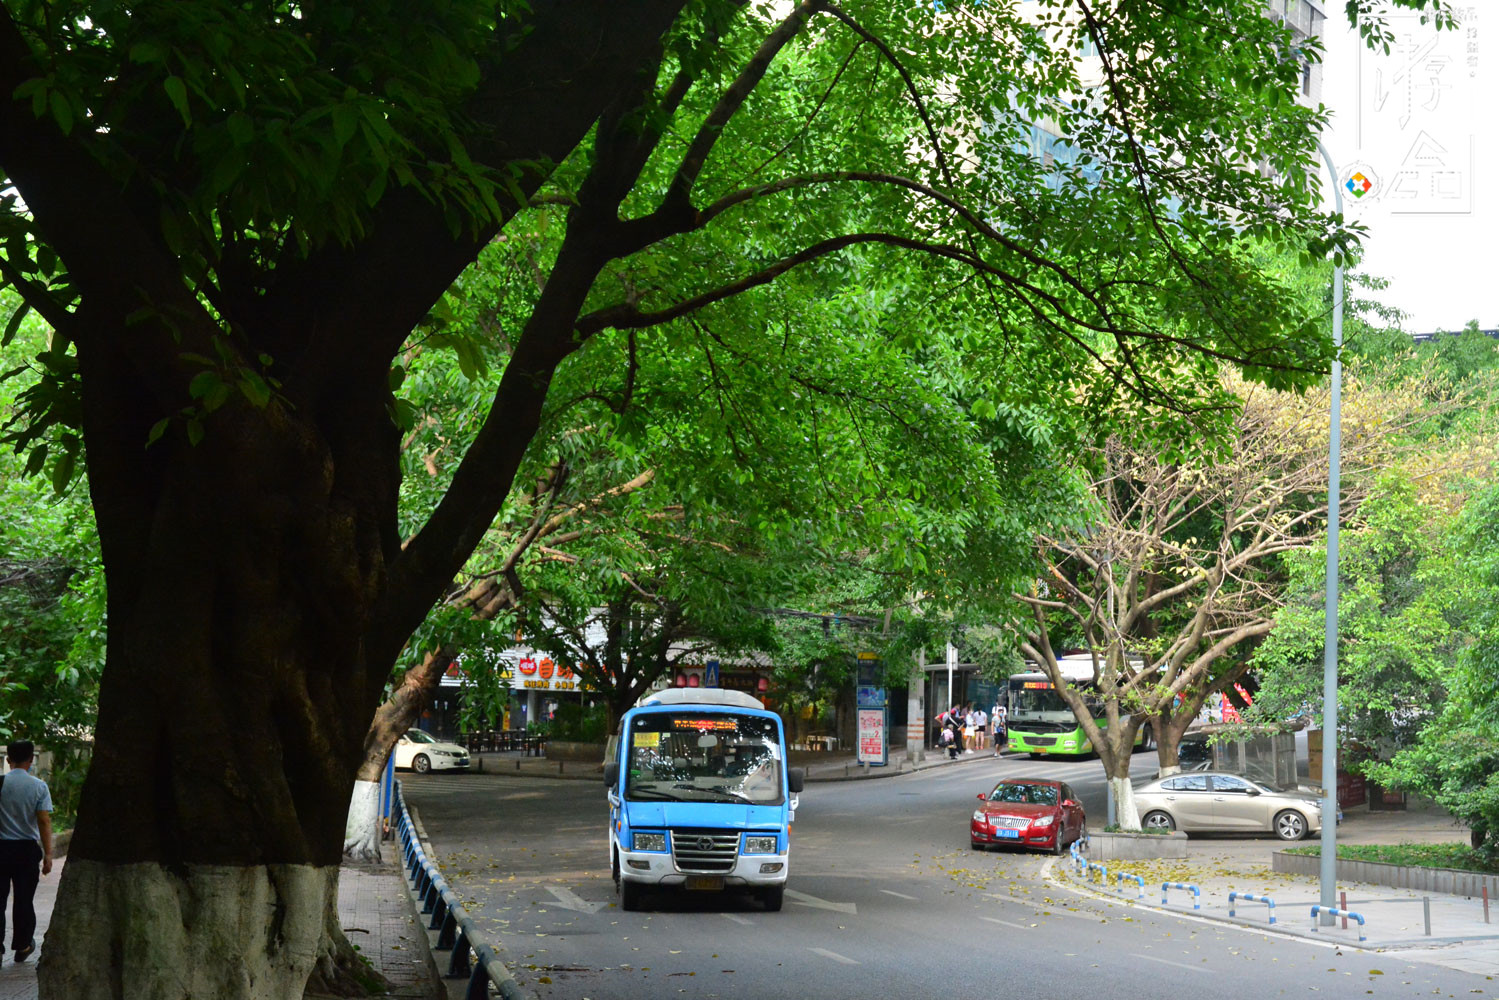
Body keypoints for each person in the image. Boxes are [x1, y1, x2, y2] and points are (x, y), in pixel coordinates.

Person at [0, 740, 53, 966]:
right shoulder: (39, 786)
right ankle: (23, 944)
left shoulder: (0, 783)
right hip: (26, 851)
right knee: (23, 899)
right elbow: (43, 819)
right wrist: (49, 854)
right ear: (31, 760)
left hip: (1, 849)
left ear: (8, 760)